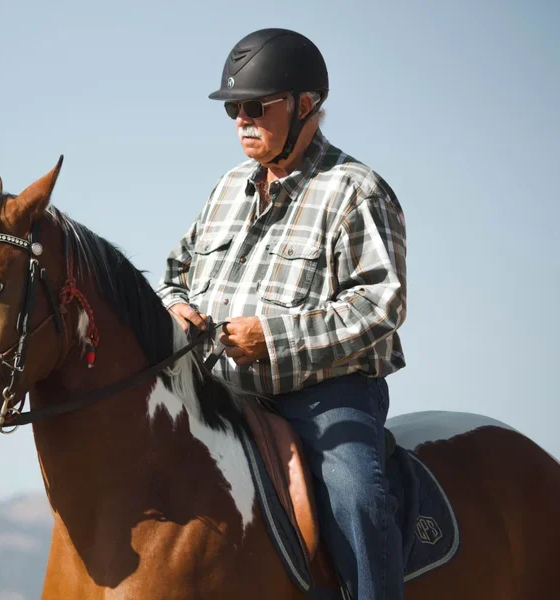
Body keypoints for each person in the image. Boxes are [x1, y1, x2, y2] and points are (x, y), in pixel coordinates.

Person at [156, 28, 407, 600]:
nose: (242, 120)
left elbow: (380, 304)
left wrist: (274, 338)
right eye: (234, 109)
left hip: (326, 396)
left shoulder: (356, 190)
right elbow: (174, 273)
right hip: (220, 390)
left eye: (256, 106)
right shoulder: (224, 189)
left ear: (306, 106)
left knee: (356, 496)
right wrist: (179, 308)